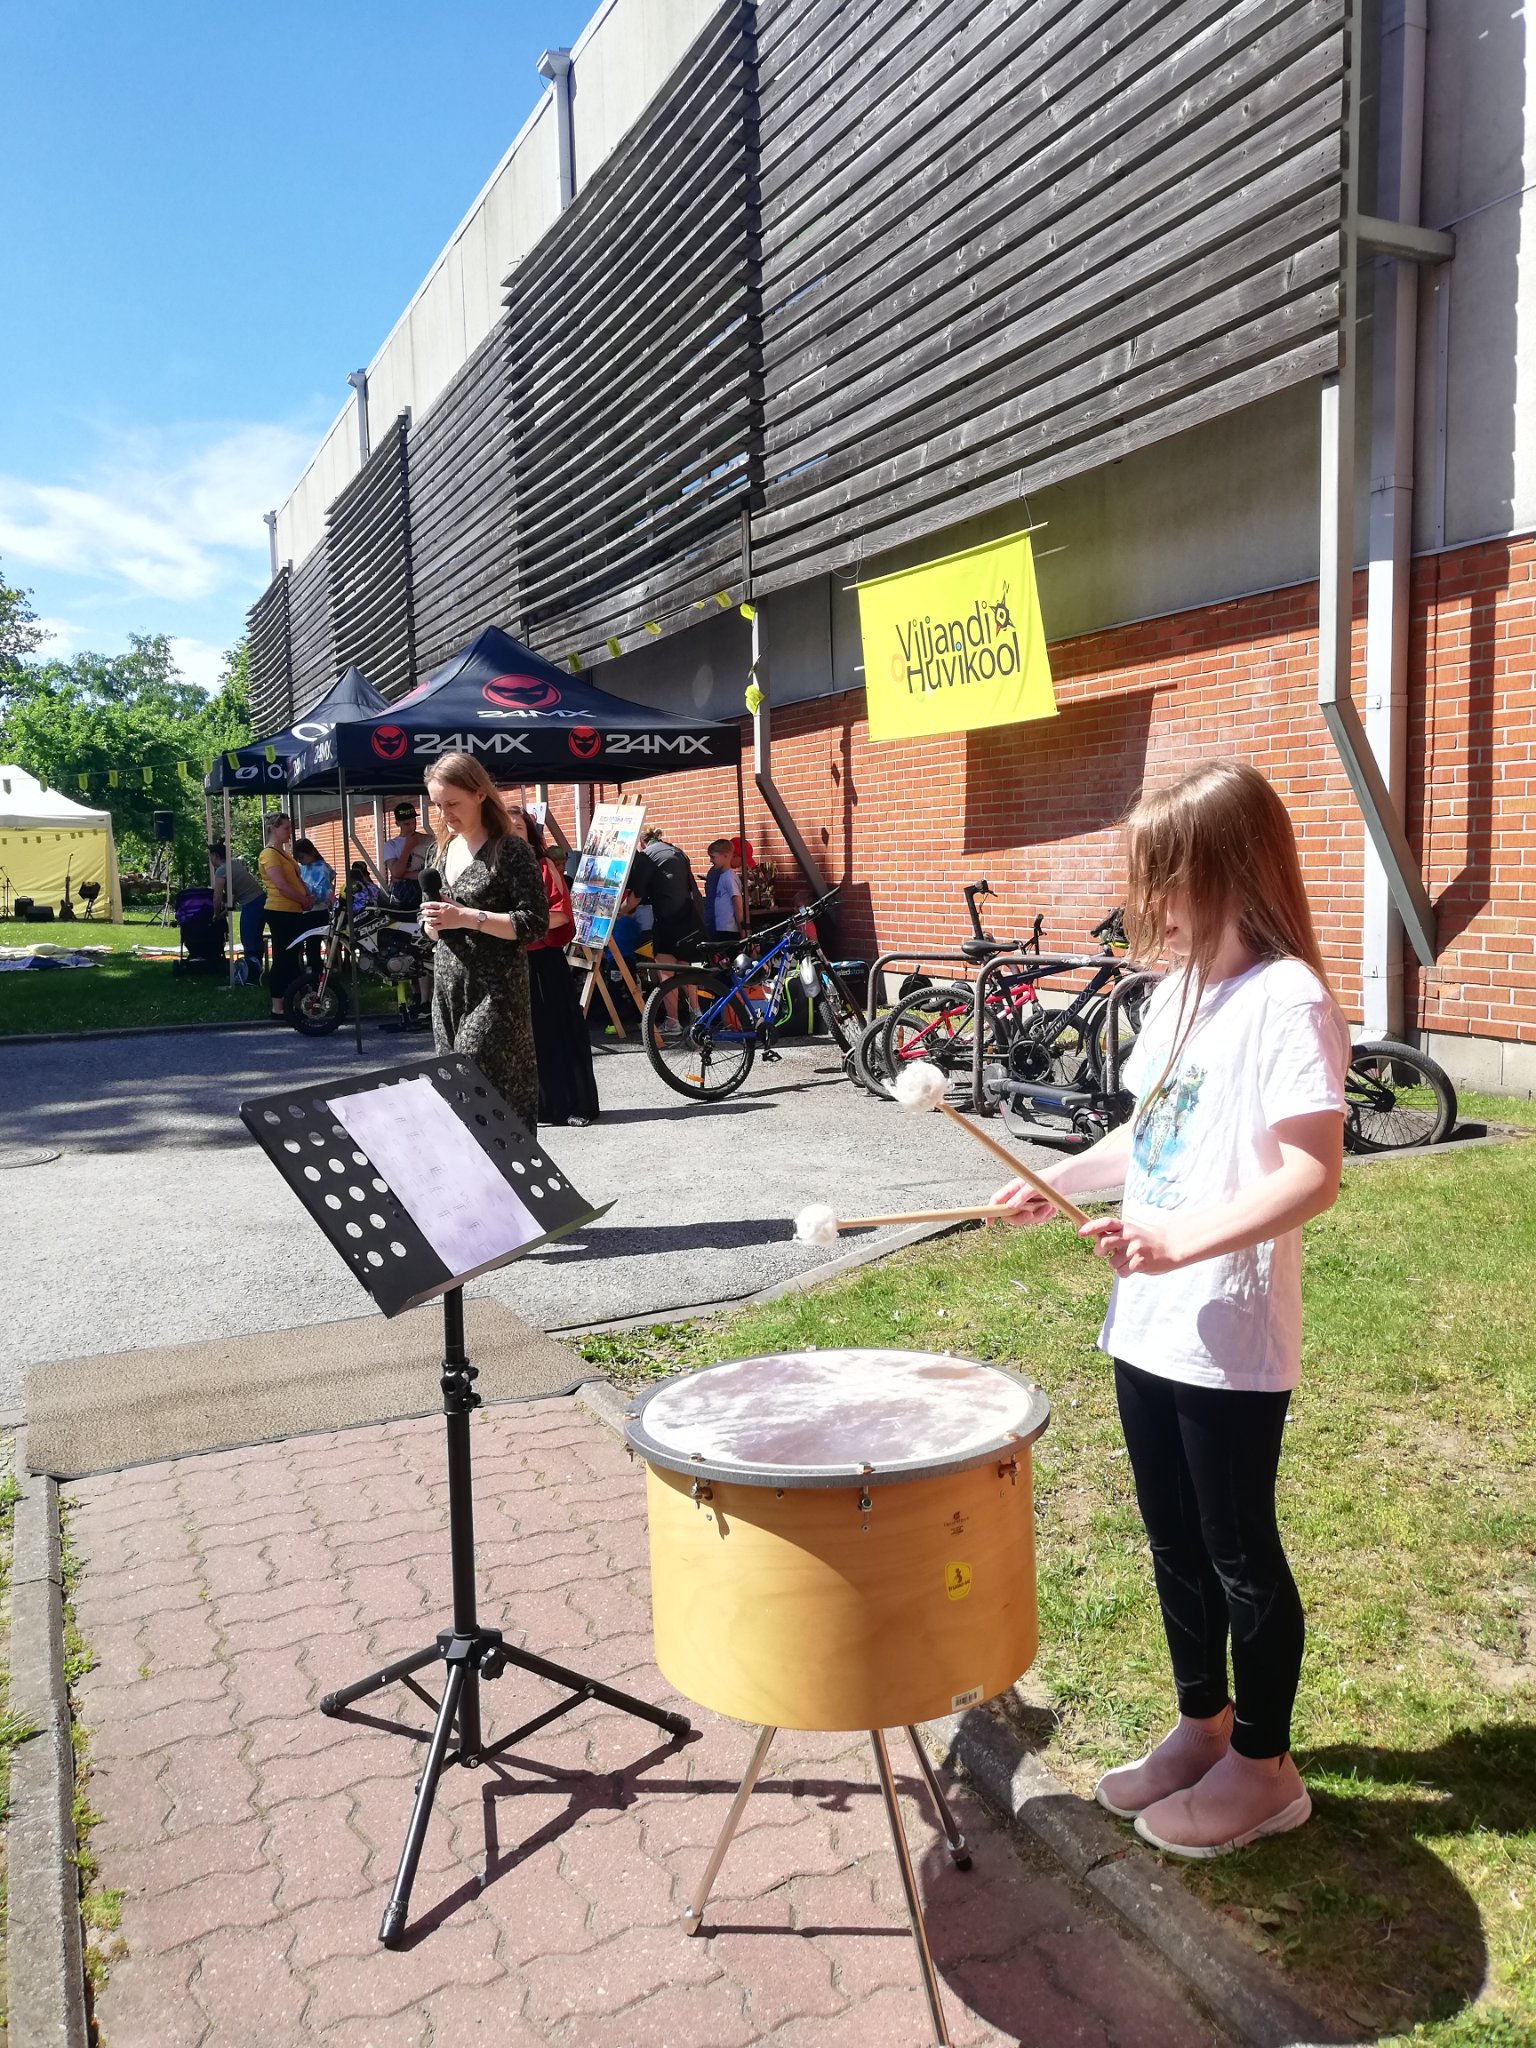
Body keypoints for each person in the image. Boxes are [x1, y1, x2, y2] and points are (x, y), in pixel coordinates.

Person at [993, 759, 1349, 1859]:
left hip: (1225, 1328)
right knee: (1172, 1539)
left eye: (1163, 875)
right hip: (1147, 1320)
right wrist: (1059, 1178)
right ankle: (1205, 1725)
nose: (1147, 900)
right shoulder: (1178, 993)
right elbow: (1148, 1137)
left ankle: (1267, 1768)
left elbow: (1313, 1175)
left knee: (1239, 1549)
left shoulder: (1289, 1000)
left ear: (1227, 869)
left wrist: (1178, 1242)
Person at [419, 754, 548, 1132]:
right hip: (448, 989)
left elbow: (535, 922)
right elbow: (428, 918)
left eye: (452, 803)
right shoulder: (440, 850)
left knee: (487, 1088)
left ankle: (513, 1165)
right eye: (437, 805)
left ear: (479, 794)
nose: (444, 814)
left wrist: (467, 917)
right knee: (454, 1092)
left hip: (495, 992)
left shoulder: (510, 851)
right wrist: (431, 924)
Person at [509, 806, 600, 1127]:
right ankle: (542, 1107)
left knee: (557, 1035)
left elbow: (561, 914)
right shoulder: (496, 868)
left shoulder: (544, 866)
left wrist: (517, 927)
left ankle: (576, 1105)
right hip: (511, 963)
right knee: (525, 1040)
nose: (511, 834)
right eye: (505, 828)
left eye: (518, 828)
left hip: (543, 962)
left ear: (530, 834)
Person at [626, 828, 704, 1029]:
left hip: (667, 919)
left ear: (641, 843)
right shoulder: (676, 851)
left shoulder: (647, 856)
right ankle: (697, 1013)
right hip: (687, 917)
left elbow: (635, 897)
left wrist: (620, 912)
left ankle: (672, 1021)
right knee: (684, 967)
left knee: (665, 969)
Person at [257, 814, 313, 1019]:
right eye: (286, 828)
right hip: (280, 911)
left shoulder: (284, 853)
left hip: (293, 910)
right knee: (282, 958)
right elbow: (281, 885)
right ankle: (277, 1006)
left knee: (292, 957)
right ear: (273, 829)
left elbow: (296, 878)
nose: (290, 832)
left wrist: (307, 895)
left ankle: (293, 1000)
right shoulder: (269, 854)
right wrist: (302, 899)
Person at [209, 840, 265, 987]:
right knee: (255, 938)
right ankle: (257, 970)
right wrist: (226, 910)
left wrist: (215, 913)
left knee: (249, 938)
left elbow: (217, 896)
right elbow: (235, 893)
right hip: (260, 899)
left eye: (210, 856)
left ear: (215, 855)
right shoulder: (233, 865)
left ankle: (251, 975)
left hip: (252, 903)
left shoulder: (221, 870)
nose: (210, 860)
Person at [382, 802, 430, 907]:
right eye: (407, 824)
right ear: (397, 823)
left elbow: (433, 871)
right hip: (402, 895)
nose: (412, 827)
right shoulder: (391, 845)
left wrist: (405, 875)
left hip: (423, 890)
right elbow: (396, 872)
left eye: (414, 822)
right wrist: (408, 847)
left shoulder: (428, 840)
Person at [704, 838, 744, 939]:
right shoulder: (722, 876)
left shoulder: (730, 877)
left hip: (729, 929)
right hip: (721, 928)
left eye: (713, 857)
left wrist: (742, 929)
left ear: (725, 856)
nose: (710, 860)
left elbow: (737, 903)